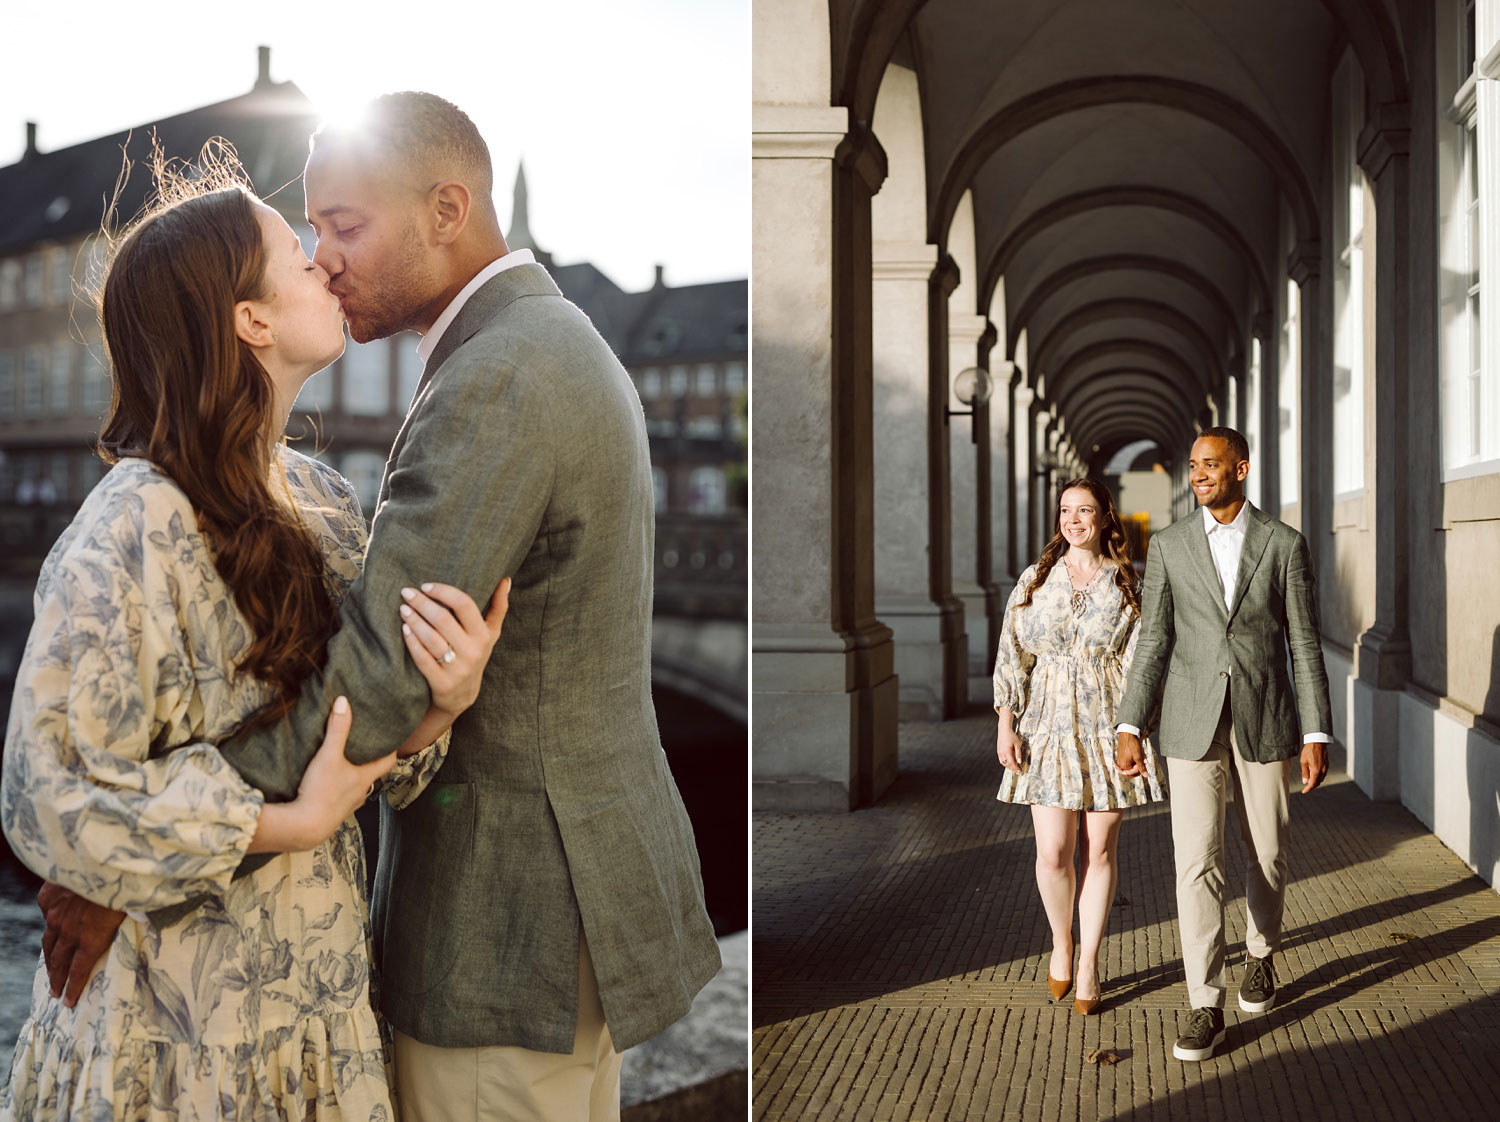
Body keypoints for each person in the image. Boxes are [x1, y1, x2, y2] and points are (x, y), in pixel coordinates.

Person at [40, 93, 721, 1122]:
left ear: (447, 211)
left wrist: (129, 855)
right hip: (512, 926)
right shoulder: (540, 342)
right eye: (310, 232)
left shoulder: (498, 374)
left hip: (504, 932)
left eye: (345, 225)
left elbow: (374, 675)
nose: (326, 257)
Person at [1, 157, 507, 1119]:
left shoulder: (325, 499)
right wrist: (291, 823)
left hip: (319, 1017)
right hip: (174, 1044)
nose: (325, 260)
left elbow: (374, 750)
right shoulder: (131, 526)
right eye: (294, 252)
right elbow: (50, 799)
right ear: (251, 321)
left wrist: (443, 695)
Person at [1115, 426, 1333, 1063]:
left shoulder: (1284, 544)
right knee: (1196, 862)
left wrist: (1316, 731)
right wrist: (1132, 722)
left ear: (1241, 467)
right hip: (1189, 721)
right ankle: (1203, 1002)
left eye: (1210, 464)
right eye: (1193, 466)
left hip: (1265, 718)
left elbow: (1304, 644)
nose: (1198, 474)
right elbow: (1154, 640)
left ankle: (1261, 954)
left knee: (1267, 850)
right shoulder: (1171, 545)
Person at [993, 477, 1166, 1015]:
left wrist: (1134, 729)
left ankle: (1089, 959)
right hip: (1045, 726)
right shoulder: (1036, 578)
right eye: (1066, 510)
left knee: (1102, 849)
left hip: (1108, 725)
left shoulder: (1127, 583)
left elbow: (1144, 663)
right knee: (1053, 852)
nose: (1073, 520)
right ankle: (1061, 942)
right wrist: (1006, 721)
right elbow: (1012, 652)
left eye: (1084, 510)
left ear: (1104, 518)